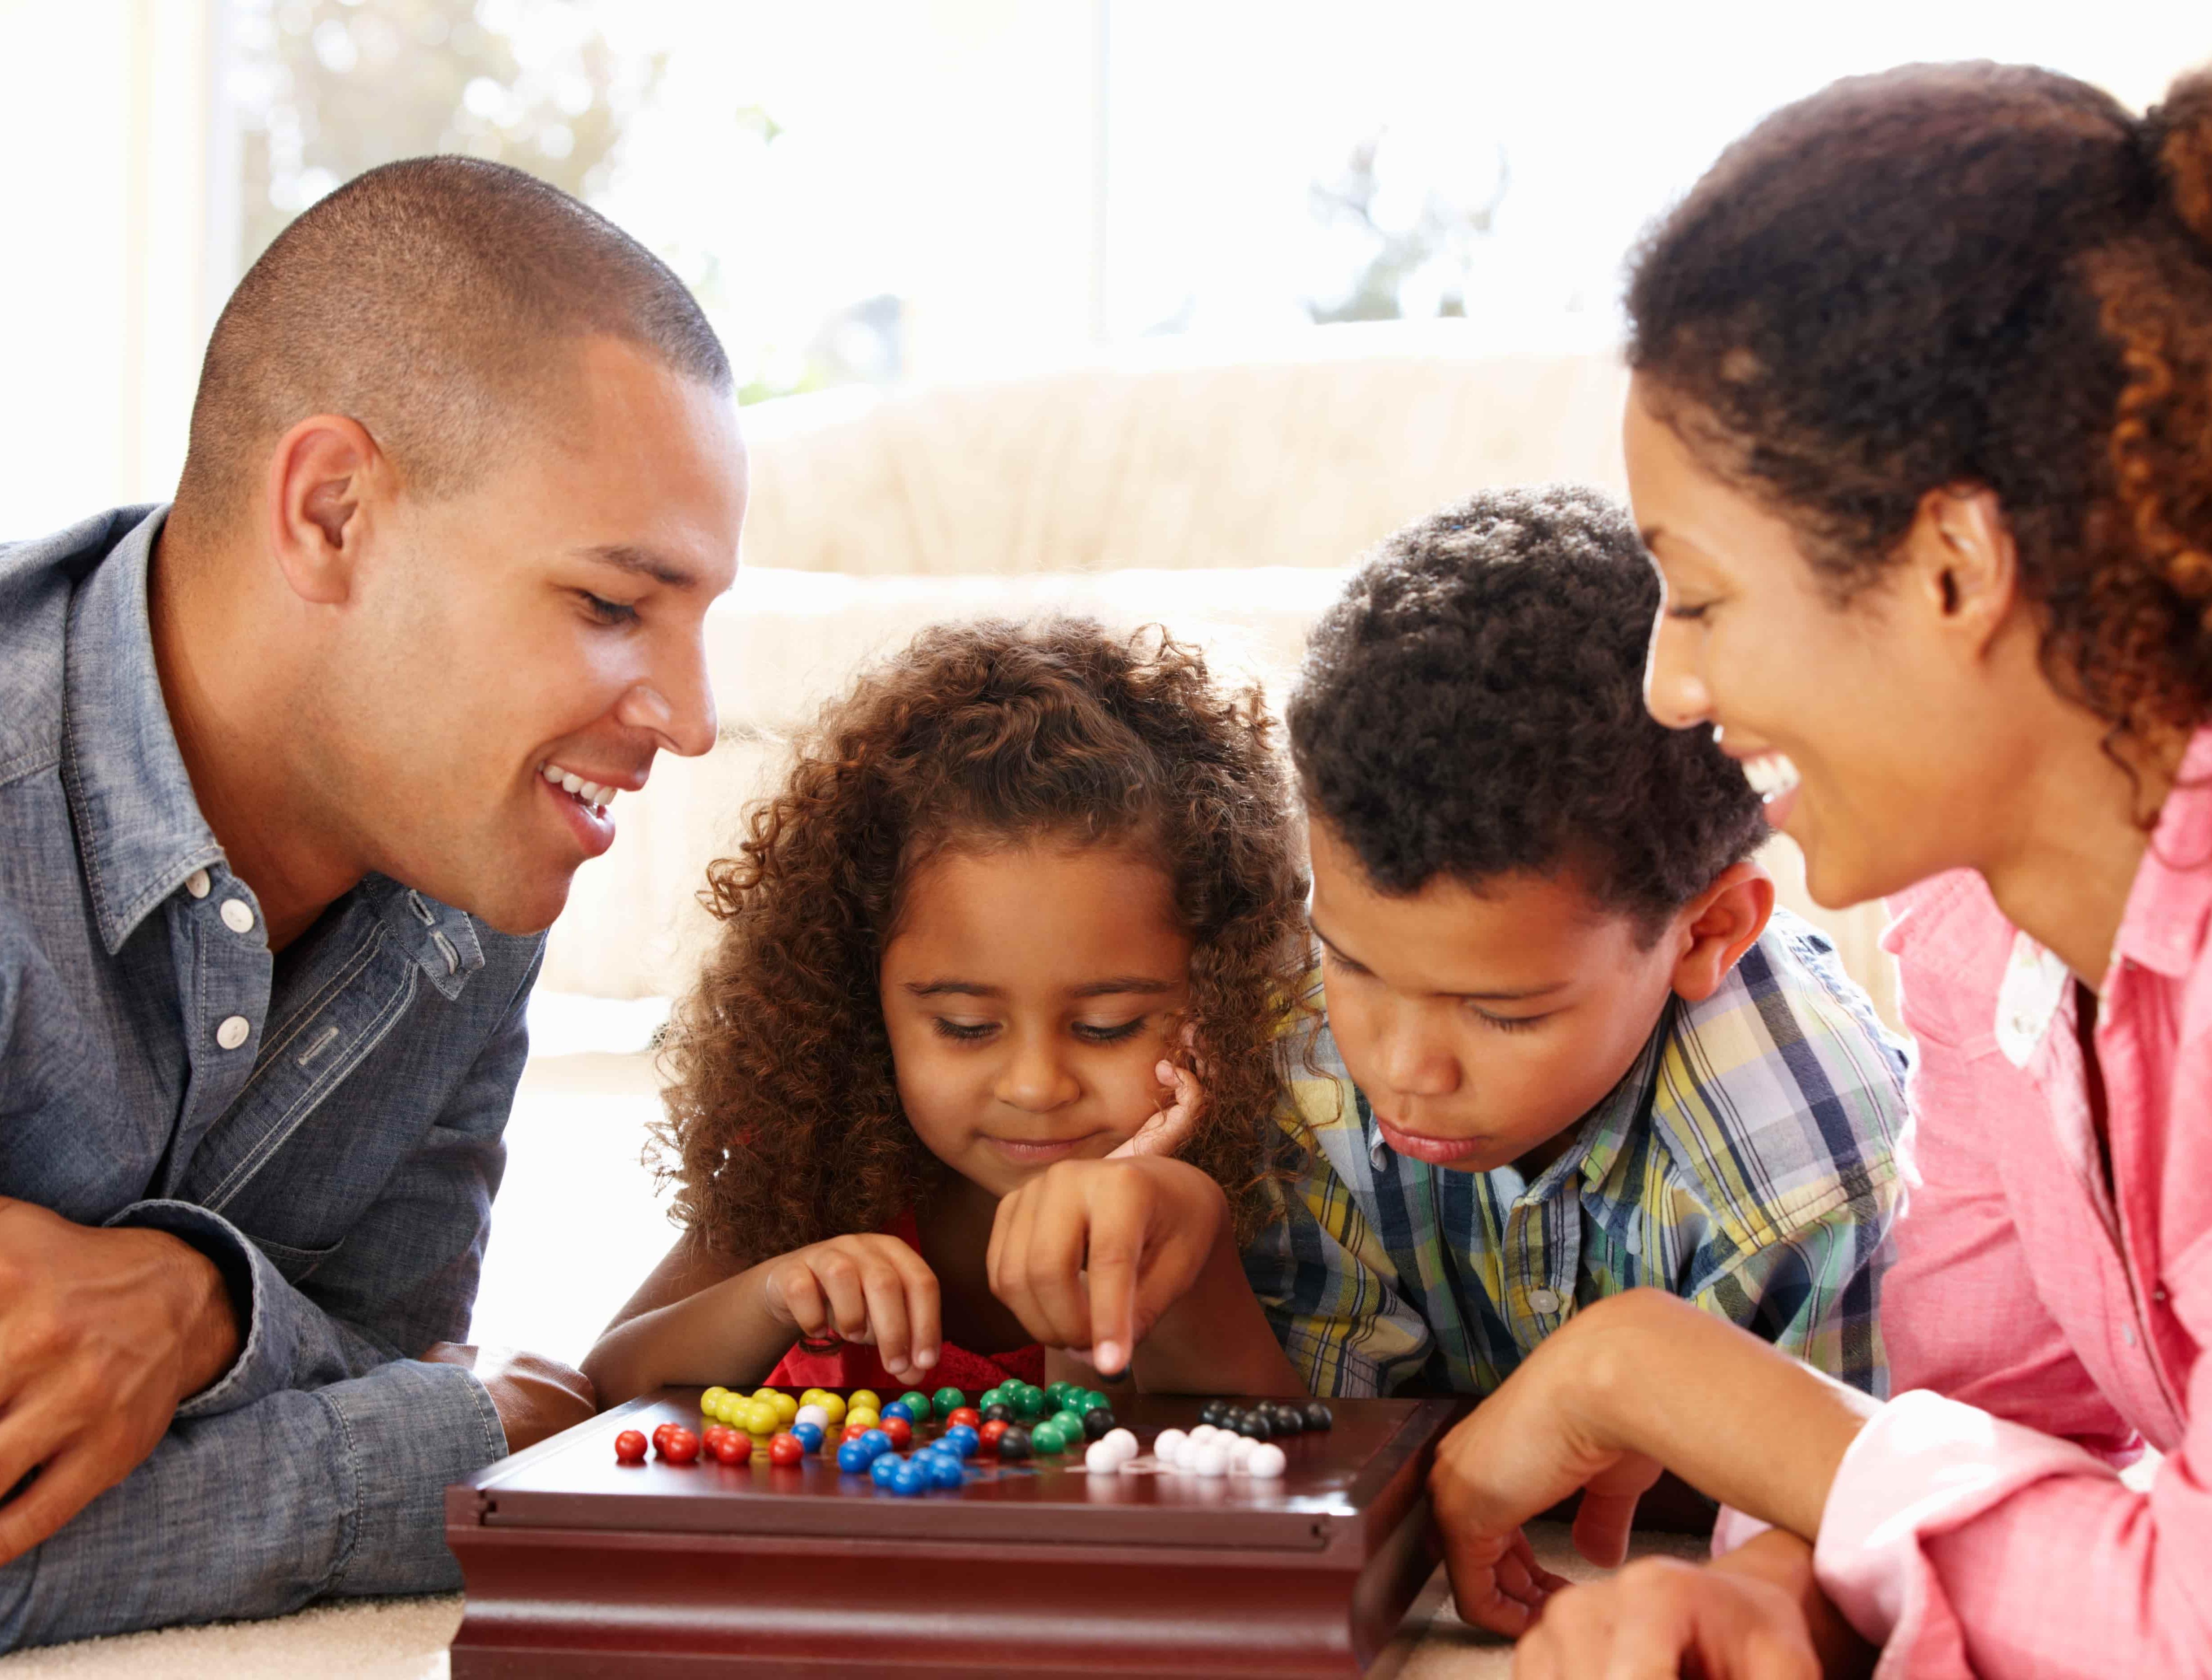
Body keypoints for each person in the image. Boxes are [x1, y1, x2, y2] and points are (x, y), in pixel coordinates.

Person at [1425, 59, 2212, 1679]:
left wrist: (1653, 1376)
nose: (1669, 686)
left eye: (1704, 598)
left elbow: (2206, 1622)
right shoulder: (1985, 936)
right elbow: (1964, 1417)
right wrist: (1777, 1590)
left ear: (1953, 566)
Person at [0, 157, 747, 1650]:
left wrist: (200, 1306)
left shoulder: (473, 886)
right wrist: (451, 1449)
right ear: (332, 512)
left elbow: (394, 1346)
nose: (695, 715)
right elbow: (450, 1419)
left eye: (696, 617)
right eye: (611, 604)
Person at [1242, 486, 1907, 1548]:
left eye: (1503, 1014)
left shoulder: (1801, 1166)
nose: (1403, 1067)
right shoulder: (1297, 1055)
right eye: (1353, 965)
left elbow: (1835, 1516)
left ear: (1705, 936)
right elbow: (1319, 1447)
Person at [582, 619, 1312, 1404]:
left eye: (1108, 1028)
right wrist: (771, 1296)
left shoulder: (1277, 1184)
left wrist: (1132, 1239)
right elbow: (595, 1391)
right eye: (966, 1028)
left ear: (1225, 987)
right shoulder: (813, 1170)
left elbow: (1258, 1471)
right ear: (864, 1000)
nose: (1035, 1088)